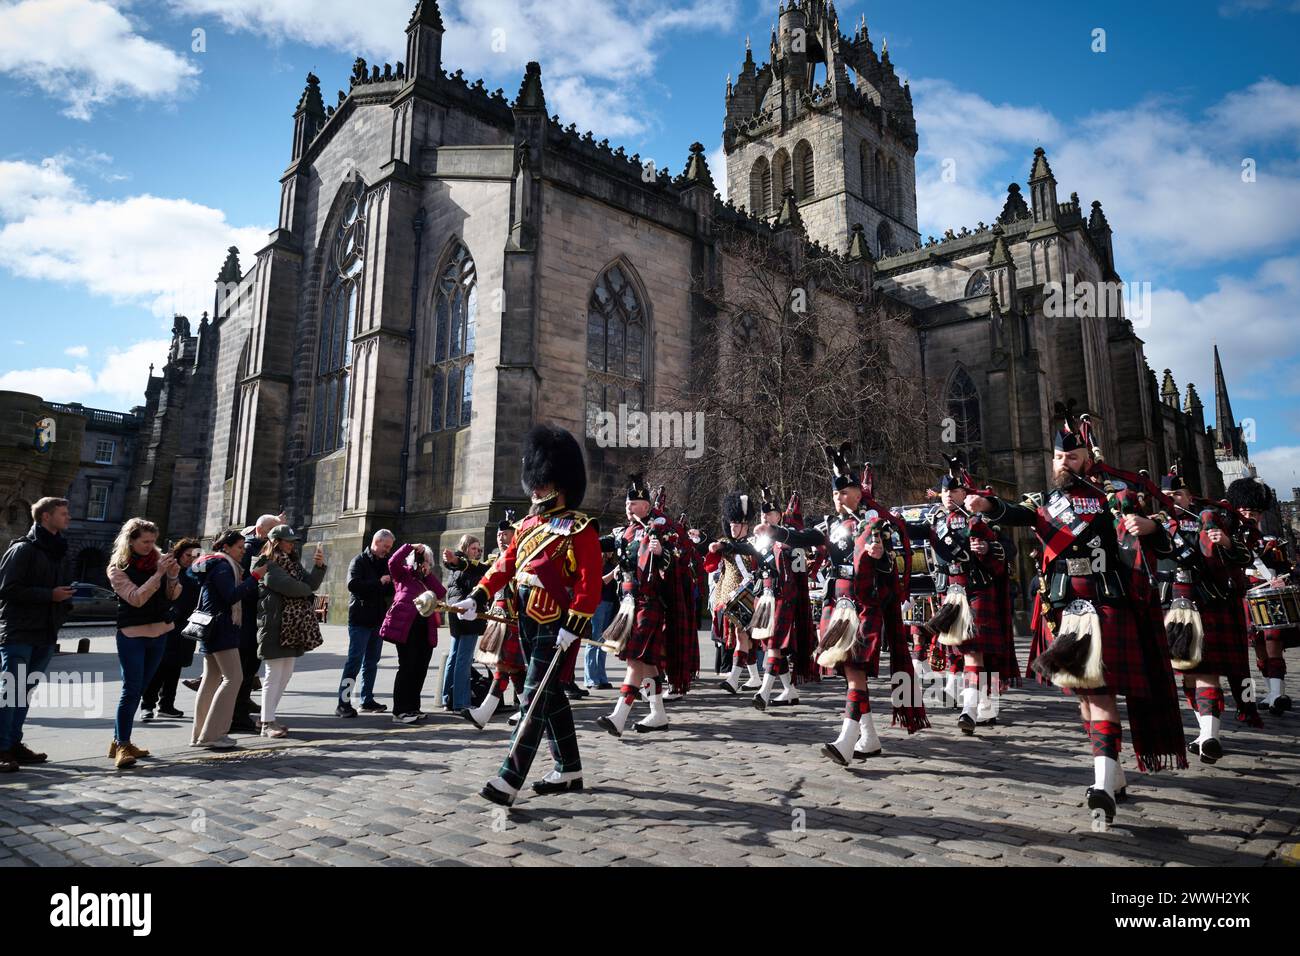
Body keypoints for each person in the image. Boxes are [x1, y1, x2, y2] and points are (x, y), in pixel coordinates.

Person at [966, 408, 1186, 831]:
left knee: (1100, 694)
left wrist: (1148, 526)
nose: (1064, 464)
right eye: (1059, 458)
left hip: (1108, 605)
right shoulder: (1045, 502)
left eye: (1072, 456)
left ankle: (1102, 784)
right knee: (1085, 697)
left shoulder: (1114, 497)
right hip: (1068, 609)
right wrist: (989, 504)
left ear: (1088, 457)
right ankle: (1113, 773)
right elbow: (1015, 512)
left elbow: (1164, 535)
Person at [455, 424, 603, 806]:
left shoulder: (580, 528)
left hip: (556, 626)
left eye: (542, 482)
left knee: (533, 699)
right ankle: (569, 767)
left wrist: (575, 623)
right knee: (548, 697)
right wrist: (478, 594)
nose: (535, 490)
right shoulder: (528, 525)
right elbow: (505, 564)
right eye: (535, 482)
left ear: (560, 481)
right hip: (525, 622)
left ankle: (510, 778)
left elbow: (589, 583)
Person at [813, 445, 928, 765]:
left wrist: (880, 557)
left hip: (867, 604)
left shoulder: (876, 522)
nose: (839, 498)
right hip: (840, 605)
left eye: (845, 492)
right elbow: (813, 542)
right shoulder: (833, 525)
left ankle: (846, 740)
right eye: (836, 494)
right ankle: (869, 738)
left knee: (854, 669)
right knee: (849, 671)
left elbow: (890, 560)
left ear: (858, 492)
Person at [1156, 469, 1257, 762]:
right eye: (1166, 496)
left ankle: (1211, 735)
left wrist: (1225, 542)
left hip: (1205, 601)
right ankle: (1204, 732)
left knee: (1204, 671)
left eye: (1177, 494)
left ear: (1189, 496)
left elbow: (1244, 556)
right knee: (1188, 674)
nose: (1172, 499)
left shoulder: (1211, 519)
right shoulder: (1155, 525)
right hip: (1169, 602)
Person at [913, 458, 1020, 733]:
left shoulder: (981, 518)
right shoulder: (936, 520)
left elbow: (1009, 549)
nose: (949, 495)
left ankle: (970, 710)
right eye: (946, 491)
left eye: (955, 491)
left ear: (965, 493)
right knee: (960, 653)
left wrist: (987, 548)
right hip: (952, 592)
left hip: (978, 588)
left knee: (973, 652)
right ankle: (982, 703)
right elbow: (914, 532)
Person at [594, 474, 686, 736]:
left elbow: (675, 561)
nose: (629, 507)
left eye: (634, 503)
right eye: (627, 503)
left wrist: (661, 552)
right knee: (646, 662)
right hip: (627, 603)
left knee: (635, 658)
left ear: (646, 505)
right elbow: (619, 556)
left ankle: (619, 715)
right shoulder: (623, 533)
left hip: (650, 601)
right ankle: (657, 714)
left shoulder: (661, 529)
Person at [0, 497, 74, 773]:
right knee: (11, 692)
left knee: (25, 691)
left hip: (45, 632)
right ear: (45, 516)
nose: (68, 518)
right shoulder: (22, 549)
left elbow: (60, 589)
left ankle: (13, 743)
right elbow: (6, 589)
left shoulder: (59, 550)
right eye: (63, 513)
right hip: (19, 631)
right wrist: (49, 596)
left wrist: (64, 602)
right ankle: (1, 748)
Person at [105, 518, 181, 768]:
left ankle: (119, 741)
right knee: (131, 690)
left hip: (159, 631)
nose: (150, 546)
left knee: (140, 689)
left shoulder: (157, 559)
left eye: (152, 541)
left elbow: (172, 595)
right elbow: (136, 599)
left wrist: (172, 576)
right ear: (131, 541)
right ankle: (123, 744)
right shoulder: (117, 568)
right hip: (132, 635)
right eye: (144, 541)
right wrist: (159, 574)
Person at [741, 489, 820, 710]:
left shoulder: (788, 537)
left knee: (774, 643)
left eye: (770, 514)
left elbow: (799, 565)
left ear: (779, 516)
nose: (765, 518)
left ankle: (764, 692)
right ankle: (789, 690)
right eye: (763, 515)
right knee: (769, 645)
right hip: (766, 595)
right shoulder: (761, 539)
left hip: (783, 595)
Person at [190, 529, 264, 749]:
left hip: (211, 629)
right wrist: (256, 577)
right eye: (239, 547)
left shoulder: (217, 564)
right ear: (226, 547)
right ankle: (213, 734)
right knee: (234, 678)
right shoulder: (223, 566)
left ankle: (200, 734)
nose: (243, 551)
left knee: (211, 679)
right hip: (221, 630)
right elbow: (231, 596)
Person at [1229, 476, 1295, 714]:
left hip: (1270, 597)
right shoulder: (1232, 542)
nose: (1250, 515)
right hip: (1246, 596)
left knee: (1272, 642)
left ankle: (1278, 693)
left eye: (1255, 512)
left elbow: (1287, 569)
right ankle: (1271, 692)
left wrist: (1281, 578)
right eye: (1246, 511)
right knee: (1257, 645)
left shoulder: (1272, 543)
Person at [255, 527, 326, 737]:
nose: (291, 544)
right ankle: (267, 723)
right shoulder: (265, 562)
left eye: (292, 541)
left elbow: (310, 582)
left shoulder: (292, 563)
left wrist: (319, 565)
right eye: (288, 541)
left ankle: (267, 718)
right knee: (273, 675)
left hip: (293, 627)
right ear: (276, 541)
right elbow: (290, 587)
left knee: (285, 675)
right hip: (275, 625)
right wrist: (306, 590)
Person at [462, 514, 527, 729]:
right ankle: (527, 709)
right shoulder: (493, 558)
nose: (500, 537)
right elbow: (477, 567)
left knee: (505, 666)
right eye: (499, 534)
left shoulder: (521, 559)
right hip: (496, 617)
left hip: (513, 617)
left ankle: (484, 712)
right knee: (514, 669)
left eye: (505, 534)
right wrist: (457, 563)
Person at [381, 543, 446, 722]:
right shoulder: (403, 574)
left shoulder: (427, 580)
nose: (424, 563)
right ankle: (400, 711)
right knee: (407, 668)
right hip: (406, 630)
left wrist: (428, 574)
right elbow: (392, 562)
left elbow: (441, 592)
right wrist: (410, 547)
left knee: (420, 669)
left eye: (428, 561)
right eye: (422, 559)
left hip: (425, 630)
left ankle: (413, 708)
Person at [706, 492, 763, 694]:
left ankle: (734, 679)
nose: (732, 528)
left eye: (736, 524)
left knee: (743, 637)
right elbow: (711, 564)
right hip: (730, 598)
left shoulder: (755, 542)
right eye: (731, 524)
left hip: (748, 597)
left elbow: (747, 551)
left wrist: (723, 546)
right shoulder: (725, 542)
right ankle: (755, 678)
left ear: (745, 525)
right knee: (744, 639)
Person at [142, 538, 202, 720]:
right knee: (160, 667)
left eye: (195, 555)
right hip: (168, 623)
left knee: (175, 668)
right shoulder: (171, 570)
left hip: (186, 625)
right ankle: (148, 705)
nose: (190, 558)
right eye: (187, 555)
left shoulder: (196, 573)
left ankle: (167, 704)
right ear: (179, 553)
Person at [233, 513, 282, 733]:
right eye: (274, 531)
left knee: (250, 666)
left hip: (256, 616)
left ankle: (241, 708)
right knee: (244, 666)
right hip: (248, 617)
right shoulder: (252, 549)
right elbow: (250, 583)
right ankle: (237, 714)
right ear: (262, 531)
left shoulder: (261, 547)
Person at [338, 530, 395, 717]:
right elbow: (353, 585)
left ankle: (367, 700)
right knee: (354, 662)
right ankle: (343, 703)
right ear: (376, 542)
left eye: (389, 548)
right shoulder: (359, 561)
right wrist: (378, 582)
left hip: (377, 620)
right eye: (385, 546)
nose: (387, 551)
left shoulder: (384, 563)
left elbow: (388, 589)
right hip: (360, 620)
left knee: (371, 662)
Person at [441, 534, 487, 713]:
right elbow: (474, 589)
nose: (477, 552)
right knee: (464, 659)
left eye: (478, 549)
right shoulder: (466, 567)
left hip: (455, 611)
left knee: (454, 656)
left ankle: (448, 698)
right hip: (467, 613)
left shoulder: (456, 566)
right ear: (466, 548)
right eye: (474, 548)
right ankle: (461, 701)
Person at [583, 553, 618, 690]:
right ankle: (591, 679)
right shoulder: (595, 562)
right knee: (594, 641)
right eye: (608, 550)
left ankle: (601, 677)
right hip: (598, 603)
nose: (610, 553)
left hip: (609, 603)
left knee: (603, 642)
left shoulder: (610, 563)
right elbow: (598, 582)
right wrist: (613, 572)